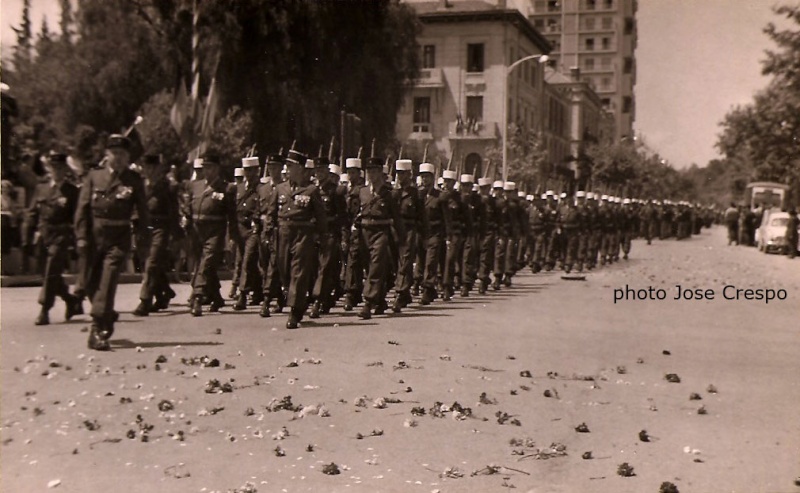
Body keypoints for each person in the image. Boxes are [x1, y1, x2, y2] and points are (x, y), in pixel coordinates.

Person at [75, 134, 149, 350]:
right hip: (93, 238)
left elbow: (143, 213)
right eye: (114, 153)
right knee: (88, 283)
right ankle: (106, 312)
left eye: (122, 154)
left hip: (118, 238)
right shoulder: (93, 177)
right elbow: (82, 209)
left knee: (107, 282)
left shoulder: (133, 181)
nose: (118, 158)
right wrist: (80, 236)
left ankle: (97, 329)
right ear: (106, 155)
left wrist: (143, 238)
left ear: (128, 157)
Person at [265, 150, 328, 328]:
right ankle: (299, 301)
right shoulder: (280, 189)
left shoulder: (311, 190)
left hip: (303, 234)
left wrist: (322, 237)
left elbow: (321, 216)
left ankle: (294, 311)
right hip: (283, 233)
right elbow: (271, 213)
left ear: (300, 168)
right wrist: (268, 233)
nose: (287, 169)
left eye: (291, 166)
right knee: (284, 270)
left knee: (298, 272)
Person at [23, 152, 81, 325]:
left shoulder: (72, 191)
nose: (57, 171)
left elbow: (77, 218)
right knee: (46, 273)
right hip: (43, 235)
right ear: (49, 168)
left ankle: (44, 310)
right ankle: (70, 299)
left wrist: (77, 239)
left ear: (65, 169)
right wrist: (26, 237)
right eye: (53, 167)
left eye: (60, 167)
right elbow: (32, 213)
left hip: (61, 235)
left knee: (51, 269)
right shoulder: (41, 188)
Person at [183, 151, 239, 317]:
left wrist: (232, 238)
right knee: (204, 266)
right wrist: (186, 218)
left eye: (211, 168)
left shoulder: (226, 188)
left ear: (217, 168)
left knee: (206, 263)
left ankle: (198, 297)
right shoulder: (195, 186)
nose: (208, 171)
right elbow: (188, 206)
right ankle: (216, 297)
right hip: (196, 231)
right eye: (205, 168)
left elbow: (232, 216)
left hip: (215, 231)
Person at [355, 157, 405, 319]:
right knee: (369, 267)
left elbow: (396, 218)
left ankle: (368, 303)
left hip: (381, 232)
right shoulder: (362, 192)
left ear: (380, 173)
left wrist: (401, 238)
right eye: (369, 171)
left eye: (375, 171)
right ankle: (380, 299)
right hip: (364, 233)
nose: (372, 174)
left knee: (376, 266)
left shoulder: (388, 194)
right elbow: (355, 214)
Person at [133, 154, 179, 316]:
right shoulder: (139, 185)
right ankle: (164, 292)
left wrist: (175, 234)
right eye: (146, 167)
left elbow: (174, 210)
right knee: (149, 263)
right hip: (143, 228)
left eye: (152, 167)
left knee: (152, 263)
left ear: (158, 168)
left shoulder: (167, 186)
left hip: (161, 227)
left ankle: (145, 301)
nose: (149, 171)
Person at [310, 156, 347, 318]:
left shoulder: (336, 191)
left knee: (325, 267)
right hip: (312, 234)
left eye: (322, 170)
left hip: (329, 233)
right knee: (313, 268)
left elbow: (342, 216)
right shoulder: (310, 190)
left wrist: (344, 237)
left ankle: (318, 301)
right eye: (317, 170)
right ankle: (325, 298)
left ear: (328, 171)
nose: (319, 173)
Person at [391, 159, 423, 312]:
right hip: (395, 229)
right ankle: (405, 293)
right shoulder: (394, 192)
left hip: (410, 229)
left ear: (409, 174)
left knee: (405, 261)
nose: (400, 176)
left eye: (403, 173)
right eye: (398, 173)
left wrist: (423, 234)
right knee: (397, 262)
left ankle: (399, 293)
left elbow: (421, 215)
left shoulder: (415, 193)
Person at [257, 154, 287, 317]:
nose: (272, 170)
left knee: (275, 266)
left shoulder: (285, 187)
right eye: (270, 167)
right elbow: (257, 210)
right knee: (265, 264)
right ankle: (279, 297)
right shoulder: (263, 188)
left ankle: (267, 299)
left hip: (280, 232)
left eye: (275, 167)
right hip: (265, 230)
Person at [232, 157, 263, 310]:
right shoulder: (239, 188)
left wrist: (256, 219)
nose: (249, 173)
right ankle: (257, 291)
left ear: (257, 170)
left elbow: (263, 207)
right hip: (240, 229)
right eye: (246, 170)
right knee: (244, 261)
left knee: (248, 260)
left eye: (252, 170)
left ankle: (243, 294)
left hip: (254, 229)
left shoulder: (262, 188)